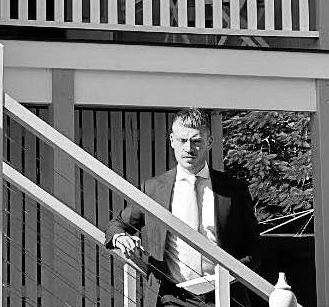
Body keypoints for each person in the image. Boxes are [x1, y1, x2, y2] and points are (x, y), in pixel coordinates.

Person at [104, 108, 259, 307]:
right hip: (172, 298)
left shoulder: (234, 190)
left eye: (196, 141)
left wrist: (234, 274)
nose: (188, 148)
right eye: (182, 140)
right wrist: (120, 237)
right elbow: (117, 225)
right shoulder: (153, 189)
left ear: (209, 142)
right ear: (172, 140)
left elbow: (254, 246)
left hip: (226, 296)